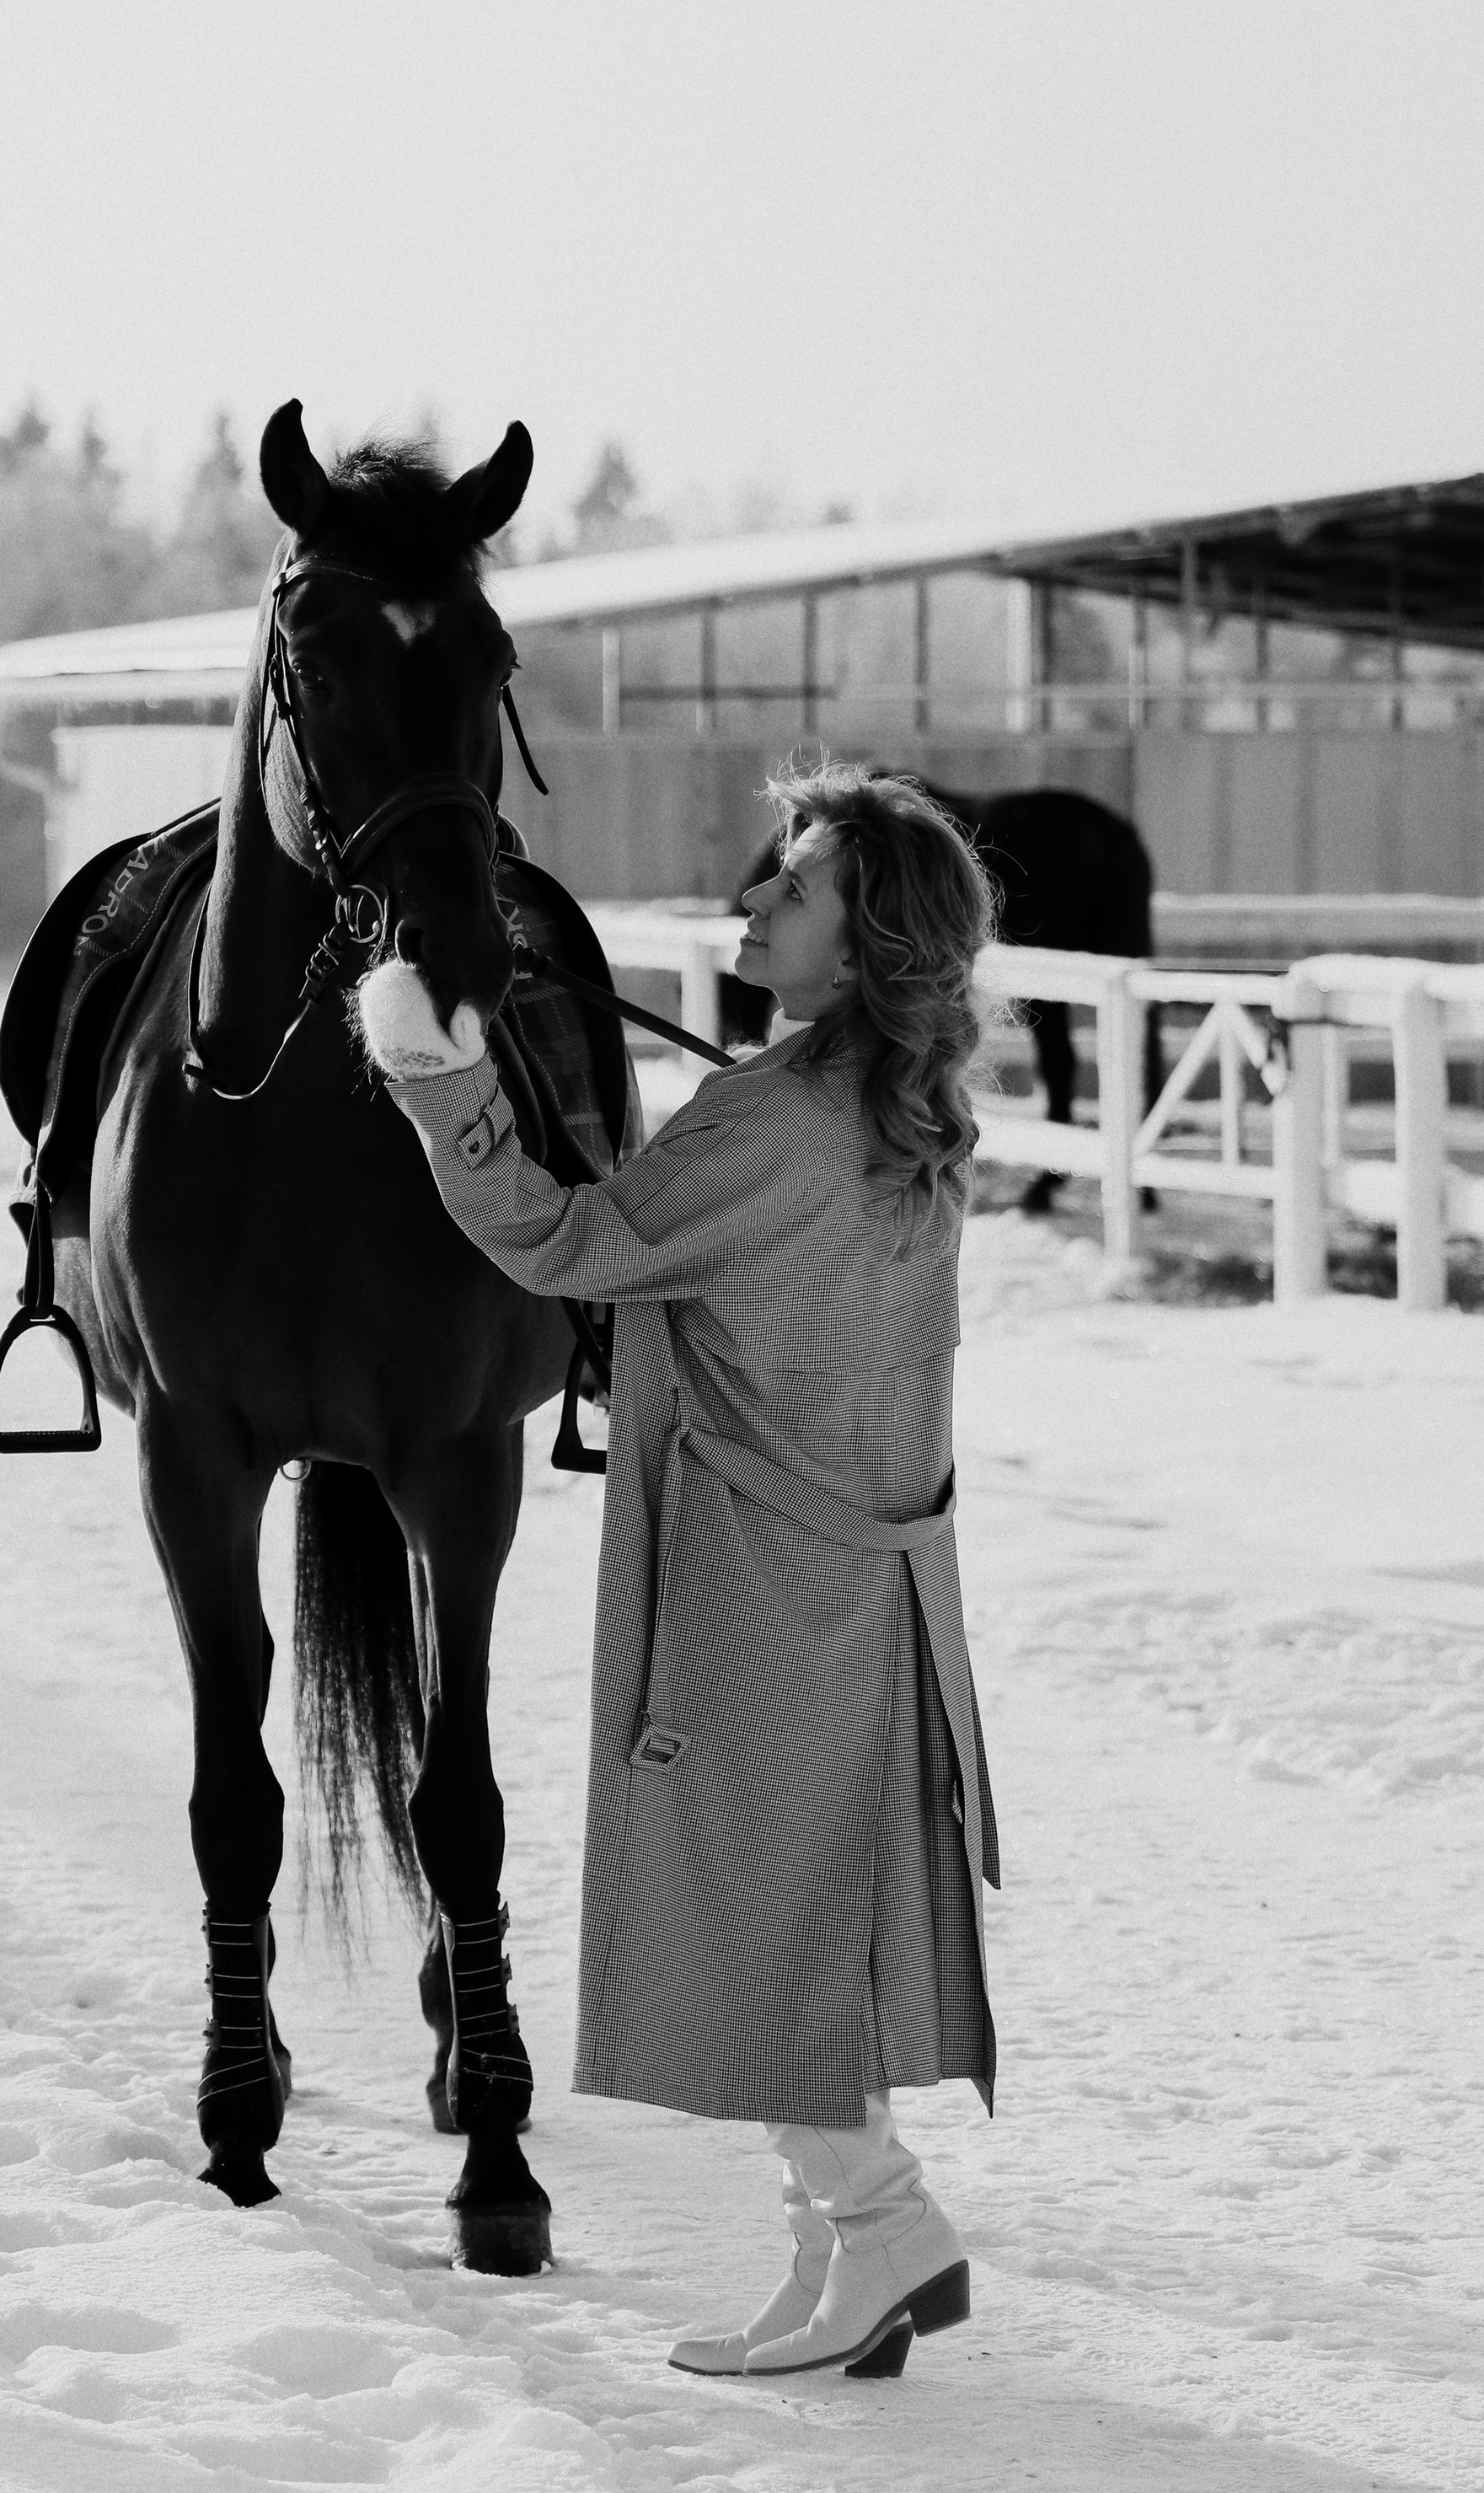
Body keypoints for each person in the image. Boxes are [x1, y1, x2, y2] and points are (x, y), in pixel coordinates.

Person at [357, 759, 1001, 2381]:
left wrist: (443, 1082)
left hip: (759, 1571)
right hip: (864, 1572)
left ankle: (886, 2224)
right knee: (803, 1915)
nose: (754, 901)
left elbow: (572, 1244)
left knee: (749, 1912)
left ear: (862, 951)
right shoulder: (880, 1104)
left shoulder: (775, 1124)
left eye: (795, 888)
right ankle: (833, 2266)